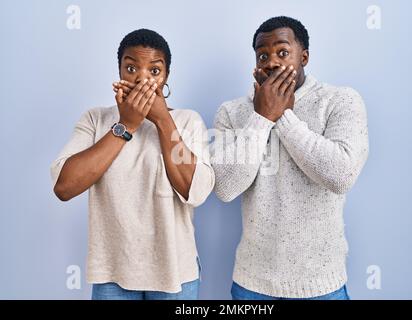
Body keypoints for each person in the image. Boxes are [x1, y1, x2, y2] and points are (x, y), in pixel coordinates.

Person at [211, 16, 369, 300]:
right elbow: (225, 188)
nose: (271, 62)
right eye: (263, 55)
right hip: (252, 285)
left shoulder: (341, 100)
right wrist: (261, 118)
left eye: (283, 52)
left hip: (322, 285)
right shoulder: (231, 112)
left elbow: (341, 176)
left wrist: (282, 115)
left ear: (304, 56)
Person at [51, 29, 214, 300]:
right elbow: (64, 187)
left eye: (154, 70)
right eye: (131, 68)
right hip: (112, 274)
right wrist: (125, 125)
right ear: (119, 73)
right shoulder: (96, 120)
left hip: (175, 274)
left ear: (167, 77)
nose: (142, 78)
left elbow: (195, 192)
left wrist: (162, 121)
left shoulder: (187, 121)